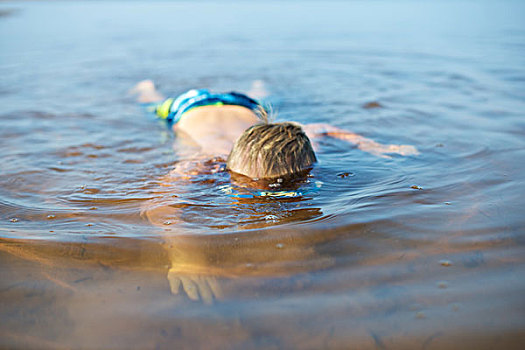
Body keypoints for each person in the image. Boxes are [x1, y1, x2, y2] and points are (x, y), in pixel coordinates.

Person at [130, 80, 419, 188]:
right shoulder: (209, 159)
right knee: (153, 106)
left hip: (242, 105)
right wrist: (377, 147)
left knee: (264, 102)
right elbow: (163, 198)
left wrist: (379, 147)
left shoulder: (292, 139)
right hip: (187, 107)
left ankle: (258, 87)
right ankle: (146, 89)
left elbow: (322, 129)